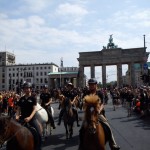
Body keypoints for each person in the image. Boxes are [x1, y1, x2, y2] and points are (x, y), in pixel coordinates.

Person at [78, 78, 120, 150]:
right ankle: (81, 144)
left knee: (107, 126)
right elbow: (84, 103)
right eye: (90, 84)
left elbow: (102, 103)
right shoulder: (86, 93)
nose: (91, 86)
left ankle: (113, 143)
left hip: (98, 113)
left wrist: (99, 110)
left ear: (95, 85)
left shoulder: (99, 93)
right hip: (89, 114)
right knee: (82, 129)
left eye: (92, 84)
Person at [15, 82, 42, 150]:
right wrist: (17, 116)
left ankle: (38, 148)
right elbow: (18, 109)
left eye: (27, 88)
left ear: (30, 89)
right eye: (25, 88)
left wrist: (30, 117)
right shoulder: (21, 99)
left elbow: (35, 109)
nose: (26, 90)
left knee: (39, 134)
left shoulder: (33, 98)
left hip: (32, 119)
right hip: (22, 118)